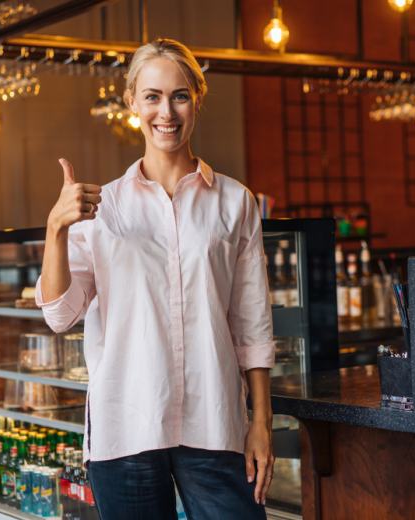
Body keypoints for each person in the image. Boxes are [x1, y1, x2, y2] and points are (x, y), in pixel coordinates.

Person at [36, 38, 274, 519]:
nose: (166, 111)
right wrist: (56, 229)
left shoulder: (235, 202)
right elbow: (60, 315)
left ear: (197, 100)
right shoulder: (103, 208)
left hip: (215, 422)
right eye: (152, 96)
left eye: (180, 95)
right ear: (131, 103)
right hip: (126, 426)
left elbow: (252, 323)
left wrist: (261, 422)